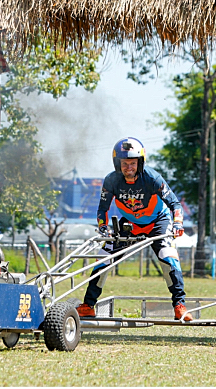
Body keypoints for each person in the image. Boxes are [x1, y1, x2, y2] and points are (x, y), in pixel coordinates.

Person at [76, 137, 192, 321]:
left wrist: (178, 223)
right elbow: (102, 210)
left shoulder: (152, 178)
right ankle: (88, 306)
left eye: (132, 163)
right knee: (104, 255)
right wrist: (103, 227)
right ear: (117, 164)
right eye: (124, 163)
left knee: (167, 255)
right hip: (130, 224)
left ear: (140, 162)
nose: (128, 167)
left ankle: (180, 305)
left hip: (158, 221)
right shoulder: (111, 180)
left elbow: (175, 204)